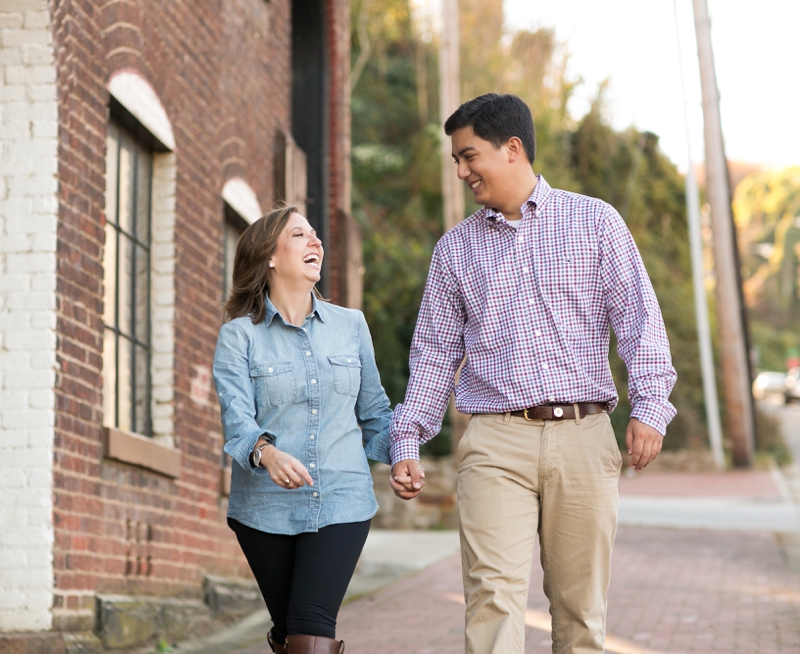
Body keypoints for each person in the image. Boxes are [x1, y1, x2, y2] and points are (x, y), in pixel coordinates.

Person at [388, 94, 676, 653]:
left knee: (580, 615)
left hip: (584, 436)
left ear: (512, 148)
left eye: (469, 156)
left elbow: (640, 320)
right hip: (495, 441)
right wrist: (407, 439)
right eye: (456, 160)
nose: (461, 170)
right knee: (492, 601)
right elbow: (433, 355)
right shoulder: (455, 251)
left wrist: (650, 408)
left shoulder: (595, 221)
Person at [213, 205, 392, 654]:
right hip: (264, 510)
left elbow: (375, 411)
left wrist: (402, 455)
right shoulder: (239, 336)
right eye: (299, 235)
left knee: (312, 627)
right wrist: (268, 454)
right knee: (290, 629)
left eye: (315, 235)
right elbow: (238, 420)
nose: (315, 242)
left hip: (342, 497)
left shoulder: (351, 326)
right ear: (269, 256)